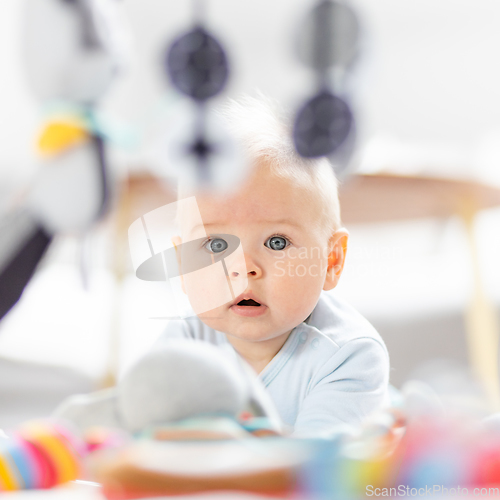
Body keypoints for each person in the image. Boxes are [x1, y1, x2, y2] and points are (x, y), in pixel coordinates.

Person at [153, 96, 390, 437]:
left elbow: (317, 471)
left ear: (332, 260)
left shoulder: (349, 356)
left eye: (277, 242)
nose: (244, 268)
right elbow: (149, 431)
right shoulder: (185, 342)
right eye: (216, 245)